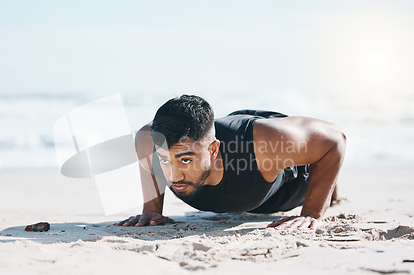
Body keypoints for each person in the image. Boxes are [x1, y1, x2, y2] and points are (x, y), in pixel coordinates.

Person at [115, 95, 346, 230]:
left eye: (185, 160)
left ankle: (332, 190)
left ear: (214, 149)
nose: (174, 176)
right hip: (229, 133)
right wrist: (152, 209)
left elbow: (335, 140)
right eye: (165, 160)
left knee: (310, 160)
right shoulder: (148, 141)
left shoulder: (264, 144)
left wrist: (313, 212)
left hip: (287, 184)